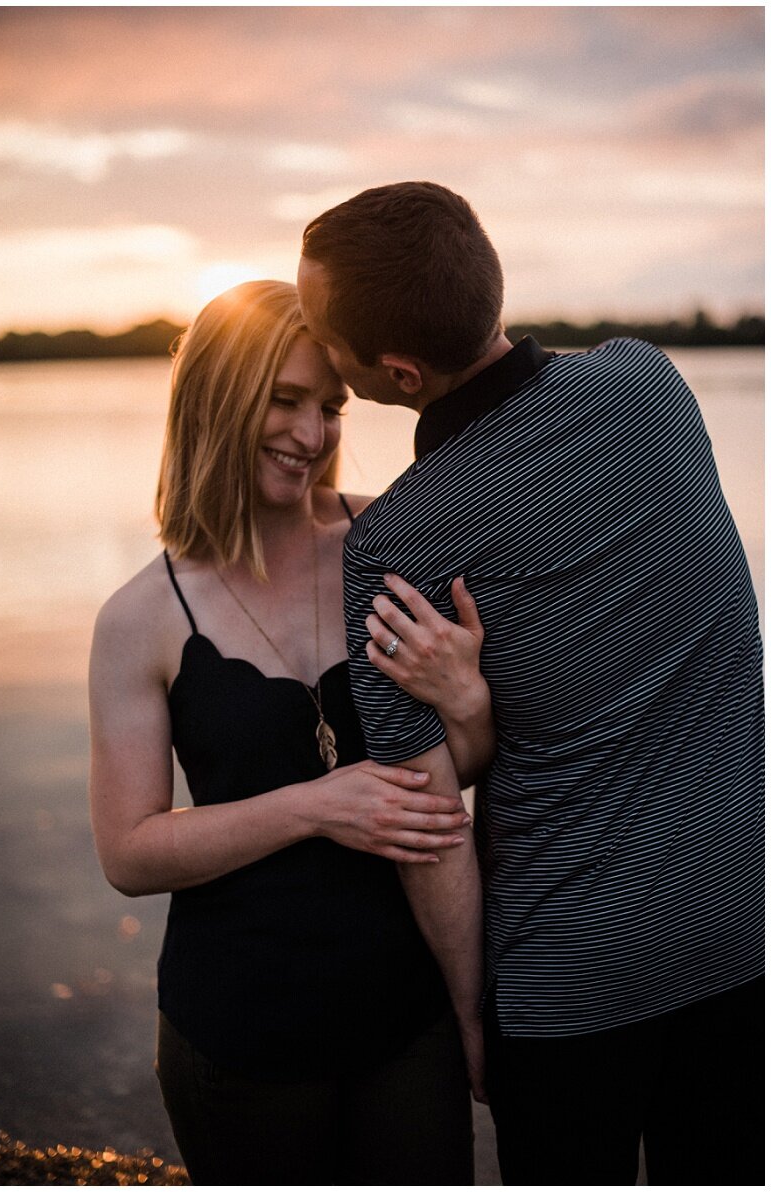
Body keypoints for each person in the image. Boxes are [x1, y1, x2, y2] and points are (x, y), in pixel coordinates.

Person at [297, 181, 764, 1186]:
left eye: (321, 337)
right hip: (740, 935)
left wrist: (469, 1013)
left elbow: (426, 819)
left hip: (566, 983)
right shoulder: (649, 383)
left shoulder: (393, 543)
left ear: (397, 373)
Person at [88, 279, 494, 1186]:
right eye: (283, 400)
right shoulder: (142, 618)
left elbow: (442, 787)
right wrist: (314, 807)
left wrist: (467, 703)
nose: (310, 435)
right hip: (237, 1036)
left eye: (330, 407)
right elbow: (130, 852)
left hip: (408, 1017)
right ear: (218, 398)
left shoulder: (395, 541)